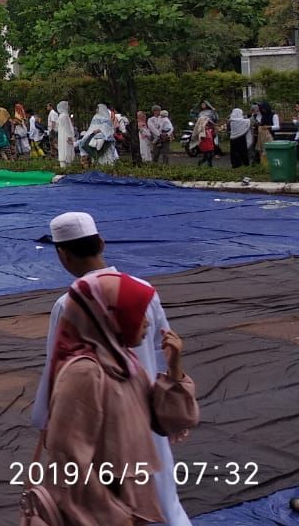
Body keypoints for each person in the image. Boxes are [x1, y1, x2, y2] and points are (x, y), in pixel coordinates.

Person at [31, 212, 193, 526]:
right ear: (102, 243)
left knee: (104, 503)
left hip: (98, 424)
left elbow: (57, 367)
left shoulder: (71, 304)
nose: (142, 327)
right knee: (163, 501)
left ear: (62, 254)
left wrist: (45, 420)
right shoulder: (143, 291)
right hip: (143, 413)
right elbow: (163, 349)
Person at [55, 101, 76, 167]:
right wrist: (70, 136)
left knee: (63, 149)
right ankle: (67, 167)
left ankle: (64, 167)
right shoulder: (65, 116)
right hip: (66, 136)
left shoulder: (61, 115)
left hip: (62, 136)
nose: (68, 107)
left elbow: (56, 128)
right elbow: (67, 128)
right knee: (67, 150)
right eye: (67, 105)